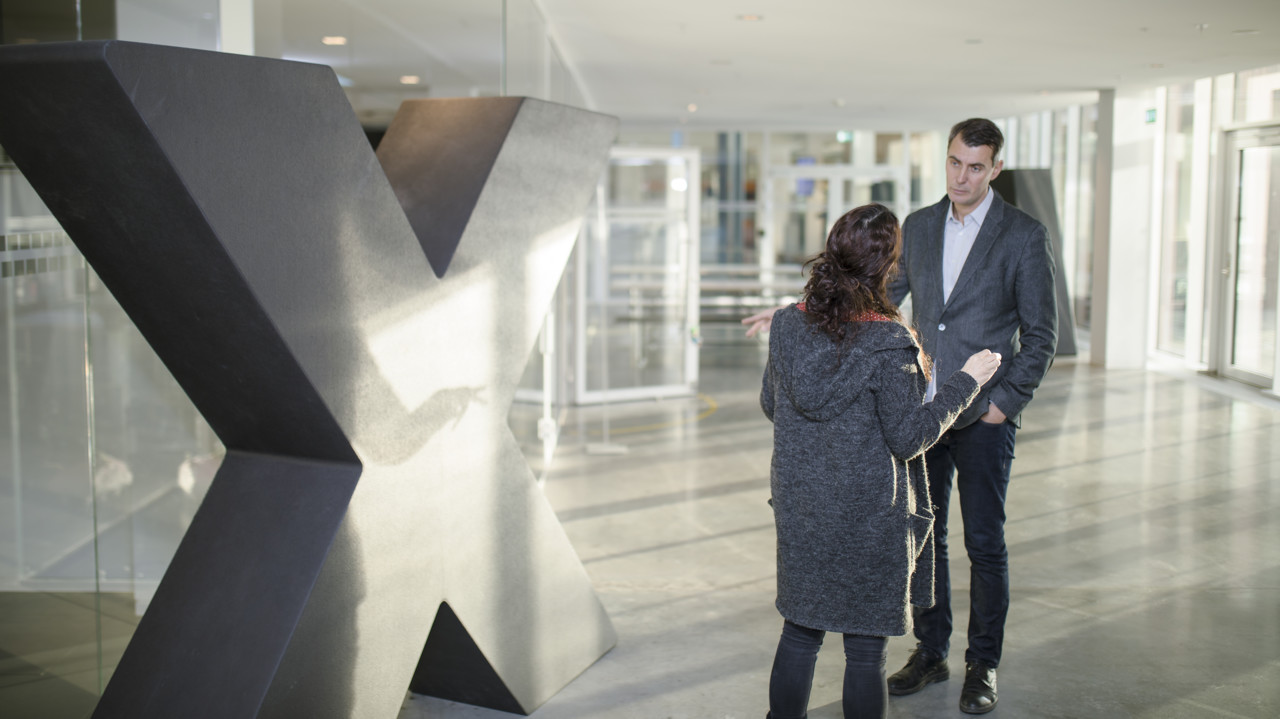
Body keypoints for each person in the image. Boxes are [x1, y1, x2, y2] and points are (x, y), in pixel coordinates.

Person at [747, 118, 1058, 715]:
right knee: (926, 536)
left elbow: (1042, 335)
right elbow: (872, 296)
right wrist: (799, 312)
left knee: (985, 543)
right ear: (947, 161)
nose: (962, 177)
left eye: (975, 167)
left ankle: (982, 664)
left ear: (996, 169)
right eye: (954, 163)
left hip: (980, 414)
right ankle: (931, 649)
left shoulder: (1023, 235)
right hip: (914, 408)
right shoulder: (917, 226)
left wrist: (1001, 402)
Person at [761, 203, 1002, 719]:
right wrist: (967, 381)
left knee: (800, 634)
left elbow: (771, 404)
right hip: (867, 515)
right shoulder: (890, 344)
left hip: (802, 509)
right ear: (887, 264)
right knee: (865, 651)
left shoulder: (786, 324)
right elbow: (909, 437)